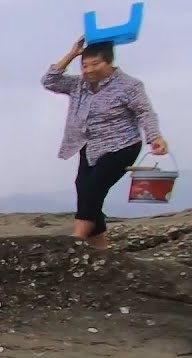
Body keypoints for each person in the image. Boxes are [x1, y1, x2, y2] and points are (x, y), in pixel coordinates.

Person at [42, 38, 168, 250]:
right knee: (83, 188)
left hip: (122, 146)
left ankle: (78, 241)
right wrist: (72, 54)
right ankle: (101, 247)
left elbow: (145, 113)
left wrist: (155, 137)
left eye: (95, 64)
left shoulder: (129, 86)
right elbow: (49, 81)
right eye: (84, 65)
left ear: (109, 63)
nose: (88, 70)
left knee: (93, 189)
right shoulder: (78, 84)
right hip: (90, 146)